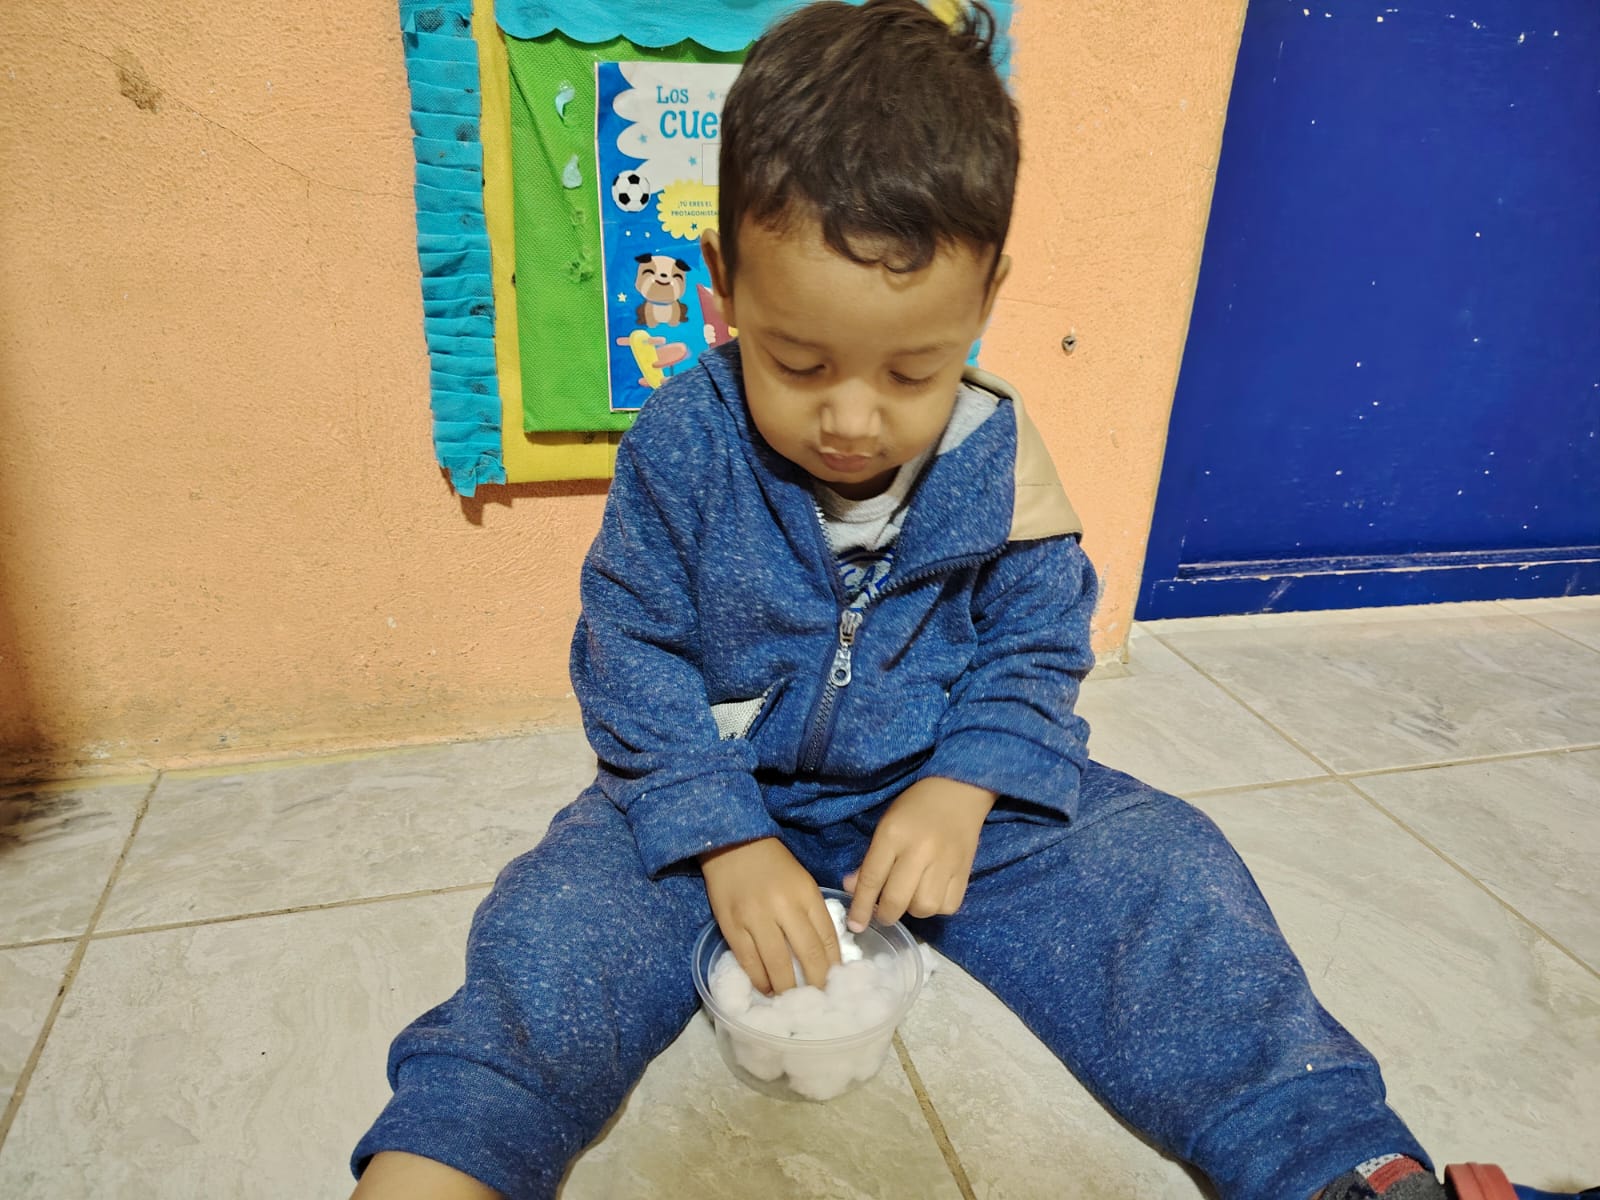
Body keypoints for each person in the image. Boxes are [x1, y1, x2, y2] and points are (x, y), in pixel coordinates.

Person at [350, 4, 1589, 1199]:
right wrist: (721, 836)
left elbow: (1038, 645)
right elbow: (628, 648)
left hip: (939, 796)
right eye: (797, 362)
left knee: (1168, 875)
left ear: (985, 300)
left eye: (912, 370)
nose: (851, 418)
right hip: (711, 792)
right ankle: (441, 1164)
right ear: (723, 282)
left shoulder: (1001, 459)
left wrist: (965, 783)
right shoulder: (681, 443)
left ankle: (1339, 1165)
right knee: (552, 930)